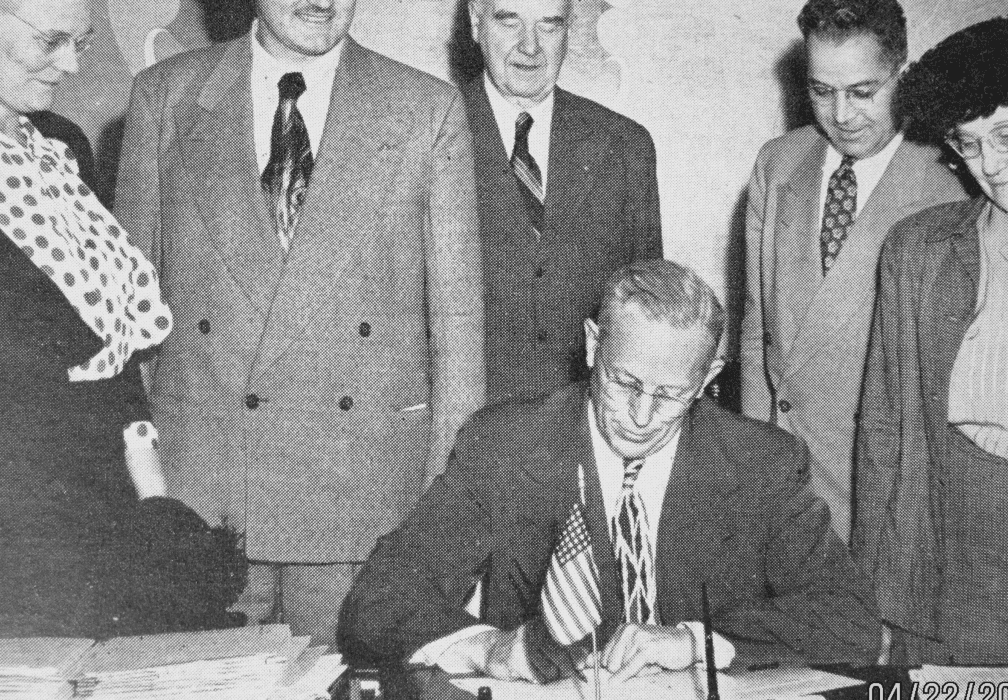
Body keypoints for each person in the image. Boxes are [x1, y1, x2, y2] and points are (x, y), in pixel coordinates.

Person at [115, 0, 485, 644]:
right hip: (205, 496)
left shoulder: (426, 110)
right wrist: (148, 492)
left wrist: (441, 513)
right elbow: (124, 322)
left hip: (359, 502)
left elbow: (457, 332)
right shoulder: (166, 98)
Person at [339, 260, 879, 682]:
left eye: (672, 395)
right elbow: (380, 600)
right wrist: (490, 647)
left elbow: (849, 620)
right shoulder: (508, 446)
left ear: (710, 374)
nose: (642, 418)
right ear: (595, 345)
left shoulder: (761, 465)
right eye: (624, 383)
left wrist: (695, 642)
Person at [0, 0, 190, 637]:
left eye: (82, 42)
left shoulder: (63, 146)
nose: (70, 65)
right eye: (50, 42)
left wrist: (154, 505)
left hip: (97, 510)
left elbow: (110, 348)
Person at [854, 12, 1008, 665]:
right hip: (958, 562)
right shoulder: (919, 251)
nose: (989, 163)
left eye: (1007, 134)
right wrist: (873, 600)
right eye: (970, 142)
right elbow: (883, 434)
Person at [740, 0, 966, 541]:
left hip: (880, 489)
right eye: (822, 91)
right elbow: (756, 331)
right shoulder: (777, 164)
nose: (841, 116)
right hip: (778, 477)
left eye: (863, 92)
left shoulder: (952, 184)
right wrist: (749, 456)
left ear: (902, 76)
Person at [463, 0, 662, 407]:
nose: (530, 47)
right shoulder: (427, 133)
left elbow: (648, 313)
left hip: (584, 429)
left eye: (549, 26)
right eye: (509, 22)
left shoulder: (624, 146)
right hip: (467, 431)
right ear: (475, 22)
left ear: (569, 29)